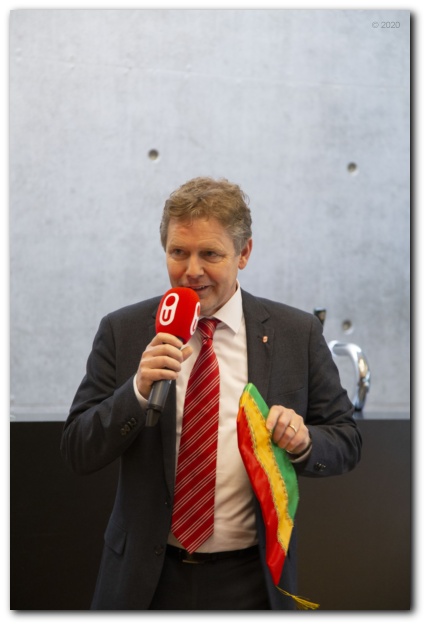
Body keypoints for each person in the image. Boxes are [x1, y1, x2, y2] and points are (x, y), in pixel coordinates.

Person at [61, 176, 362, 610]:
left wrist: (304, 441)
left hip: (252, 581)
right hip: (145, 580)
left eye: (210, 254)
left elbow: (346, 439)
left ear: (244, 253)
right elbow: (77, 449)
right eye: (178, 252)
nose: (191, 270)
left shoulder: (296, 333)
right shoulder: (123, 330)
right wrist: (137, 392)